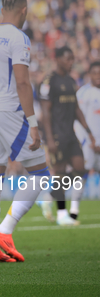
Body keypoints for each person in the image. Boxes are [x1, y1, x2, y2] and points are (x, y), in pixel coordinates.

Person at [0, 0, 50, 264]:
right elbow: (22, 82)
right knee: (41, 174)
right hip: (7, 110)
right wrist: (33, 123)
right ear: (23, 9)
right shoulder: (19, 37)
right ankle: (5, 232)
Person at [39, 47, 96, 225]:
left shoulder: (71, 81)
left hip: (71, 133)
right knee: (61, 173)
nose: (71, 62)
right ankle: (62, 214)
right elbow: (45, 112)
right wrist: (49, 138)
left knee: (80, 169)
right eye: (67, 59)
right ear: (57, 59)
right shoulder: (49, 81)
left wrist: (88, 131)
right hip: (56, 134)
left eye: (72, 59)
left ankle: (48, 196)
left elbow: (76, 109)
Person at [72, 61, 100, 219]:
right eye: (95, 73)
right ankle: (74, 210)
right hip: (88, 144)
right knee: (81, 174)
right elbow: (78, 119)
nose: (98, 76)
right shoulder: (84, 93)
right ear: (89, 75)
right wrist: (89, 141)